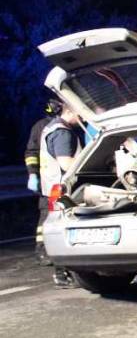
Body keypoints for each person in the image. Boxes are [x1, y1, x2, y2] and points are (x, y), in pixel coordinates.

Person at [39, 100, 84, 288]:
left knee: (60, 229)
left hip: (53, 188)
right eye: (80, 113)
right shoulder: (62, 132)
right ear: (70, 110)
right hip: (63, 190)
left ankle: (64, 273)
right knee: (65, 229)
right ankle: (63, 274)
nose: (82, 117)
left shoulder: (51, 128)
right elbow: (66, 163)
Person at [25, 99, 61, 265]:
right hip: (47, 178)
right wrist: (33, 175)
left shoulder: (65, 126)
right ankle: (42, 250)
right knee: (46, 213)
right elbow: (31, 153)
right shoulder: (41, 127)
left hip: (59, 176)